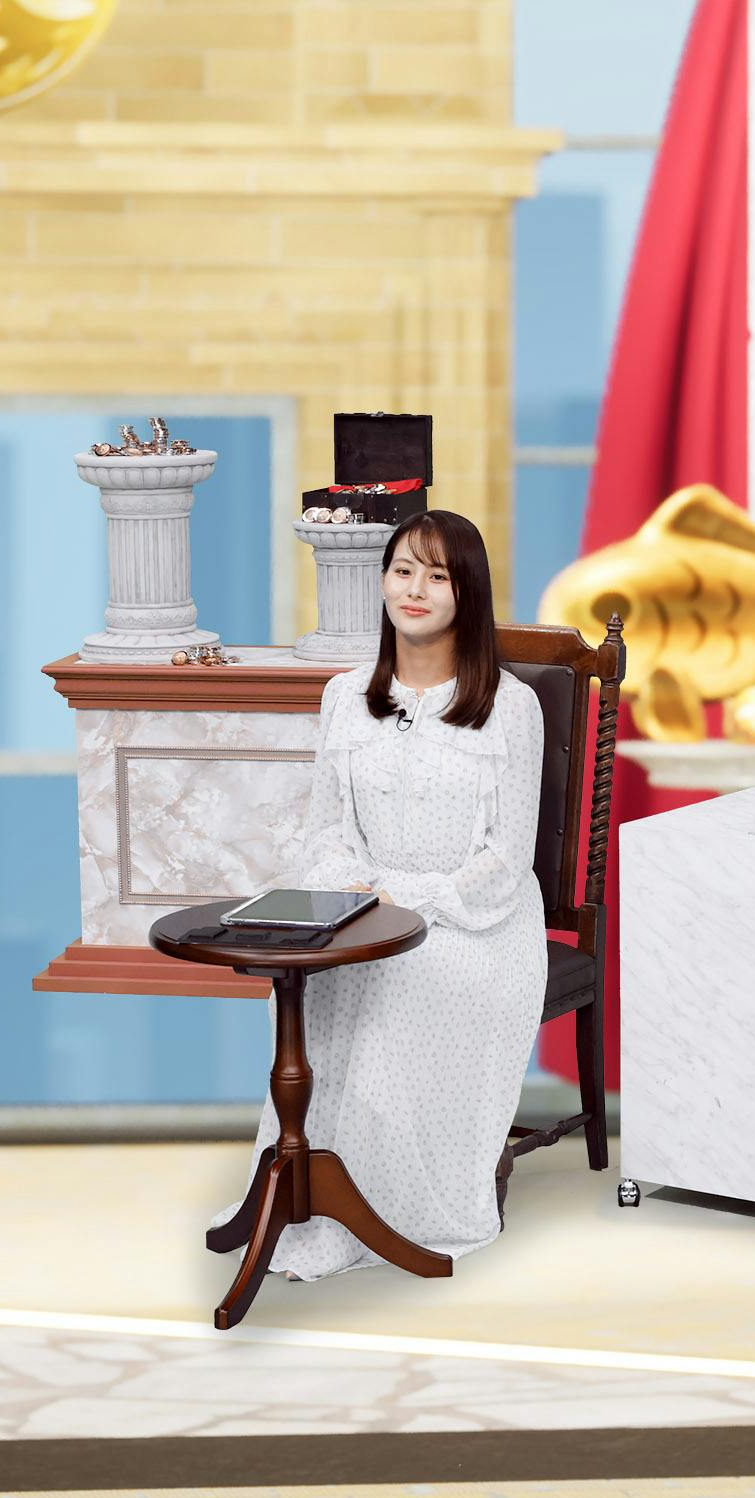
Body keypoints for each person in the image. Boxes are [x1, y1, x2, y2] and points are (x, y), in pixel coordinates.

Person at [216, 509, 547, 1281]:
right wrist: (355, 891)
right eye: (402, 570)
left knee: (399, 982)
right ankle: (301, 1193)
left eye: (437, 575)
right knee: (316, 983)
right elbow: (327, 832)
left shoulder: (510, 706)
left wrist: (406, 896)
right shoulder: (344, 696)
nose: (415, 589)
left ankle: (387, 1211)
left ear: (467, 592)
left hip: (476, 924)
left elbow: (506, 860)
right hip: (363, 913)